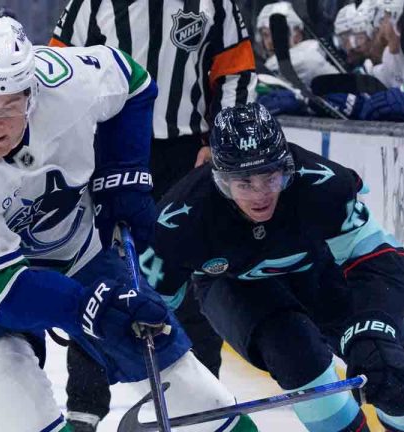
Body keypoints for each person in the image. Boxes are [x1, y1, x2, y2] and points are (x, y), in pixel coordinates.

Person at [0, 16, 258, 432]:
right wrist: (93, 309)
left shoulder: (66, 81)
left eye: (9, 106)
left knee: (192, 390)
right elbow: (2, 292)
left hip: (76, 248)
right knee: (9, 380)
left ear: (32, 91)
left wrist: (122, 181)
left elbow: (135, 82)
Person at [146, 102, 404, 432]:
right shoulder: (179, 220)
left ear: (287, 166)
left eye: (271, 176)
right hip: (234, 286)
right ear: (221, 181)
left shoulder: (325, 184)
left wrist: (373, 326)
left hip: (318, 273)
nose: (260, 195)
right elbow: (148, 310)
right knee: (295, 353)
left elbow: (382, 260)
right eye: (244, 183)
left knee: (395, 378)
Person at [49, 0, 256, 428]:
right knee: (96, 273)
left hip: (188, 155)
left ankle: (203, 404)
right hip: (108, 151)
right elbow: (58, 69)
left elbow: (235, 71)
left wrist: (222, 142)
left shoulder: (215, 4)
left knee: (195, 277)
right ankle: (84, 408)